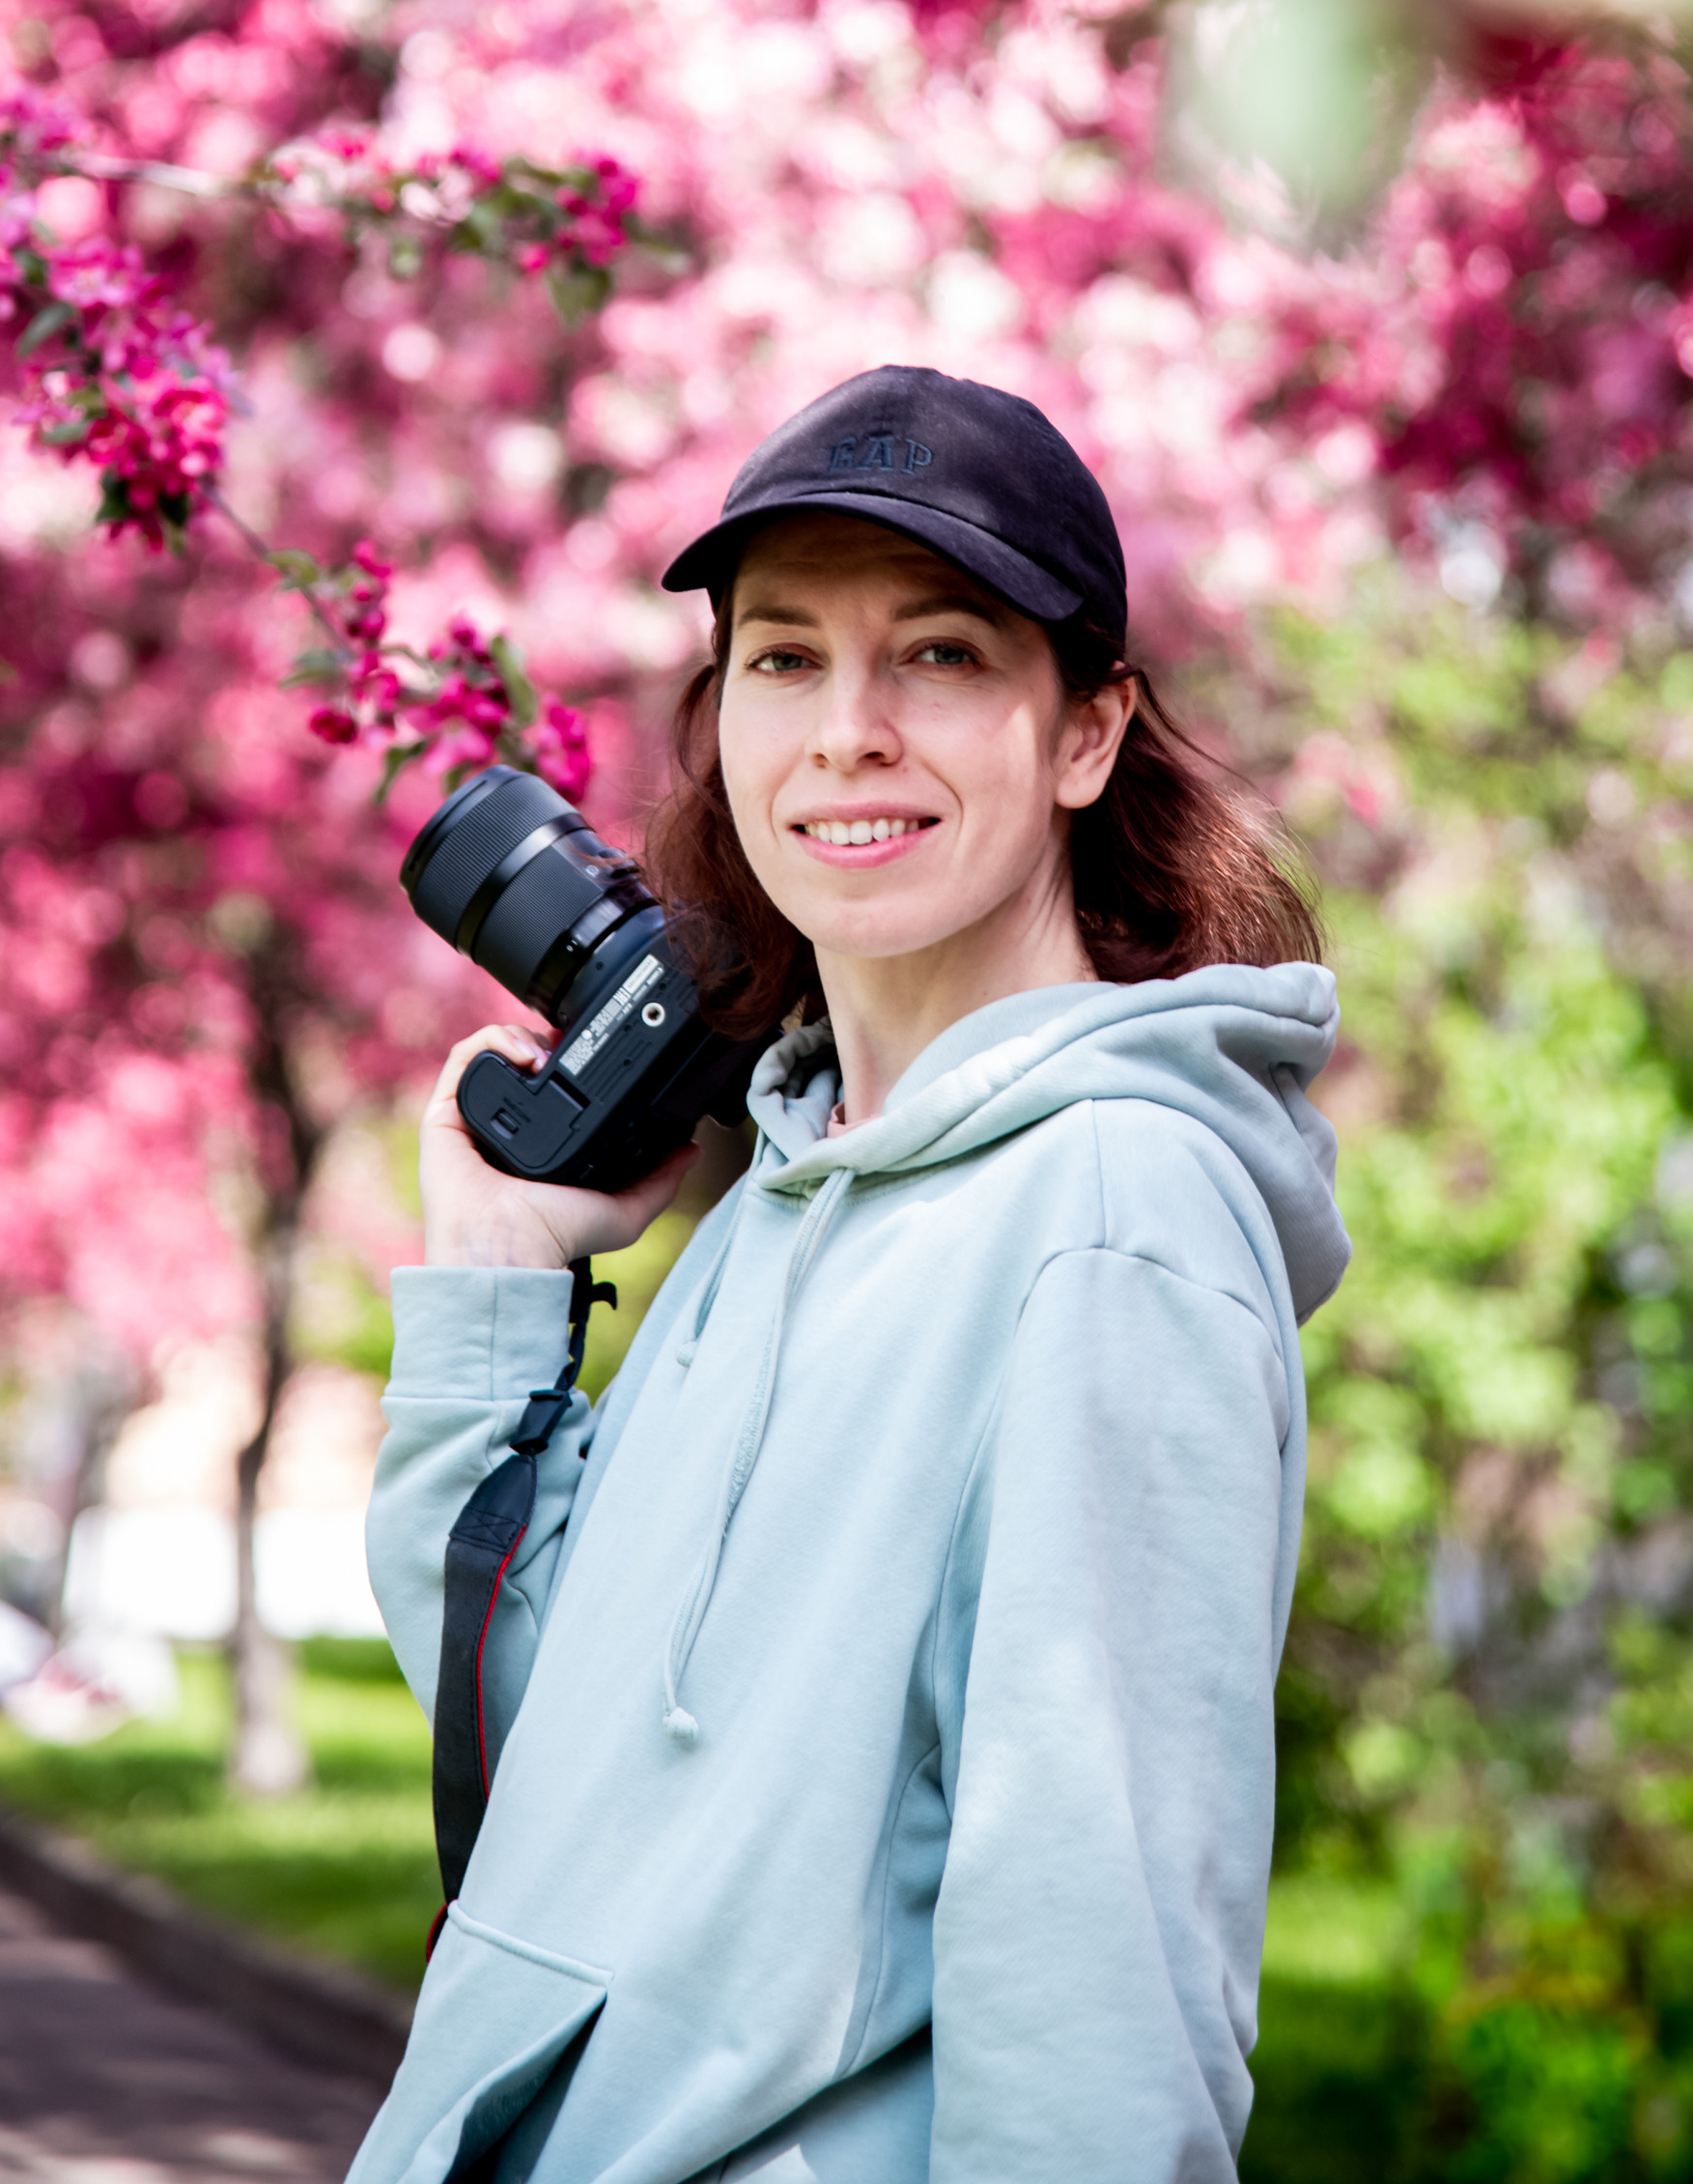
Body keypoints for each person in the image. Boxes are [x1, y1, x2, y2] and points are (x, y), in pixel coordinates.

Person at [353, 366, 1348, 2184]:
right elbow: (539, 1740)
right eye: (786, 657)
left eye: (945, 655)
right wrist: (497, 1297)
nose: (849, 731)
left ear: (1086, 731)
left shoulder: (1113, 1214)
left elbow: (1102, 1977)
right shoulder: (781, 1188)